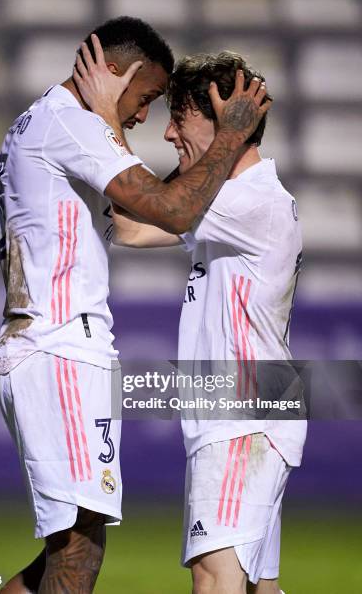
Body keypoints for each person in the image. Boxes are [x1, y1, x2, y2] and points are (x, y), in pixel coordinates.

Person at [0, 16, 270, 594]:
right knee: (79, 549)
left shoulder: (46, 121)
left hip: (53, 342)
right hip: (60, 343)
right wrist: (228, 136)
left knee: (67, 548)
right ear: (114, 73)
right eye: (144, 97)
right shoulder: (69, 124)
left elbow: (131, 223)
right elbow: (170, 212)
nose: (146, 116)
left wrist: (108, 120)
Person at [76, 49, 305, 593]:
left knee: (213, 579)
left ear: (226, 120)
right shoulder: (230, 202)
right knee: (256, 587)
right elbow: (130, 230)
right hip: (248, 413)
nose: (170, 134)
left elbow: (150, 207)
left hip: (239, 417)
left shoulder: (248, 201)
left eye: (179, 118)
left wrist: (108, 116)